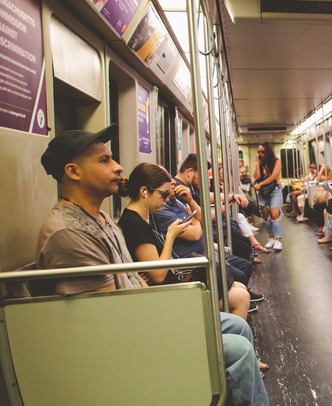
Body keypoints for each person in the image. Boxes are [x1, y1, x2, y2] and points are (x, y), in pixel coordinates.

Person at [36, 125, 268, 405]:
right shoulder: (70, 233)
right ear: (73, 172)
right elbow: (107, 316)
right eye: (104, 160)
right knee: (239, 349)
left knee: (237, 326)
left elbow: (130, 282)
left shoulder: (103, 220)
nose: (118, 166)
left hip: (140, 315)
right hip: (130, 337)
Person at [117, 163, 252, 319]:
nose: (167, 198)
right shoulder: (134, 223)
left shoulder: (149, 214)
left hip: (174, 277)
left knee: (240, 287)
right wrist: (171, 236)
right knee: (241, 298)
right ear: (144, 192)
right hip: (165, 290)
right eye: (163, 193)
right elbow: (158, 275)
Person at [253, 142, 283, 251]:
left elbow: (274, 176)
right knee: (266, 216)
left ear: (268, 152)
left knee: (275, 214)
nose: (260, 154)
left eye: (262, 152)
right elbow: (257, 176)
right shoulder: (261, 164)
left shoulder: (276, 161)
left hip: (274, 190)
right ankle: (271, 238)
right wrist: (257, 164)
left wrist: (260, 184)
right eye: (259, 152)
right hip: (263, 192)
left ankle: (278, 239)